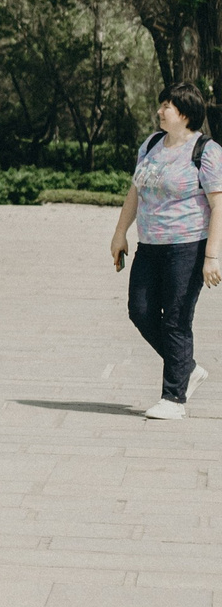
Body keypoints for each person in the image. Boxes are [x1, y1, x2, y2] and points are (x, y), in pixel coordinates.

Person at [111, 83, 222, 419]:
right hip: (150, 245)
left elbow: (218, 204)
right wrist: (120, 234)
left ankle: (173, 399)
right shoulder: (151, 144)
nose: (160, 111)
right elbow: (135, 191)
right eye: (162, 105)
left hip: (187, 247)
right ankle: (186, 368)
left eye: (167, 106)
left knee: (175, 319)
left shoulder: (207, 150)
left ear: (184, 114)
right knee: (140, 310)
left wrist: (212, 256)